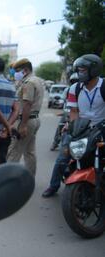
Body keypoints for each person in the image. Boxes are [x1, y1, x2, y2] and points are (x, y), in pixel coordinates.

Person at [43, 54, 105, 198]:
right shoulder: (74, 88)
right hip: (81, 129)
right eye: (79, 70)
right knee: (62, 158)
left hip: (101, 129)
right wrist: (72, 127)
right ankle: (53, 186)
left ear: (94, 70)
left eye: (83, 70)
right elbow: (74, 112)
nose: (80, 73)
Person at [7, 58, 45, 177]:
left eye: (17, 70)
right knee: (30, 152)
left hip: (26, 120)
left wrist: (22, 125)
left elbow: (27, 104)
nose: (16, 73)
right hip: (34, 119)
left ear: (25, 70)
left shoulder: (28, 82)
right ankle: (30, 178)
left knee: (14, 151)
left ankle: (7, 180)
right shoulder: (37, 80)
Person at [50, 73, 79, 151]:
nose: (75, 83)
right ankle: (55, 143)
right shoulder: (68, 89)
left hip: (79, 113)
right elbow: (62, 100)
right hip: (67, 112)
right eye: (73, 81)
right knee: (60, 126)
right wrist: (60, 106)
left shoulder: (82, 89)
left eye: (77, 81)